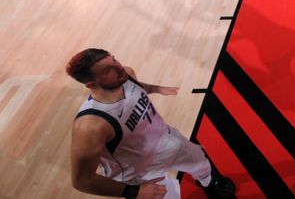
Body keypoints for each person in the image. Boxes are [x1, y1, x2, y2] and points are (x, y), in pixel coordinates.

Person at [67, 48, 236, 198]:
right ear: (91, 84)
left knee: (201, 162)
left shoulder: (126, 74)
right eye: (108, 69)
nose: (118, 67)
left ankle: (208, 182)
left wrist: (156, 89)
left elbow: (137, 86)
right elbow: (82, 181)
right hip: (138, 171)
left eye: (114, 60)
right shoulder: (90, 125)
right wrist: (133, 192)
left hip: (166, 139)